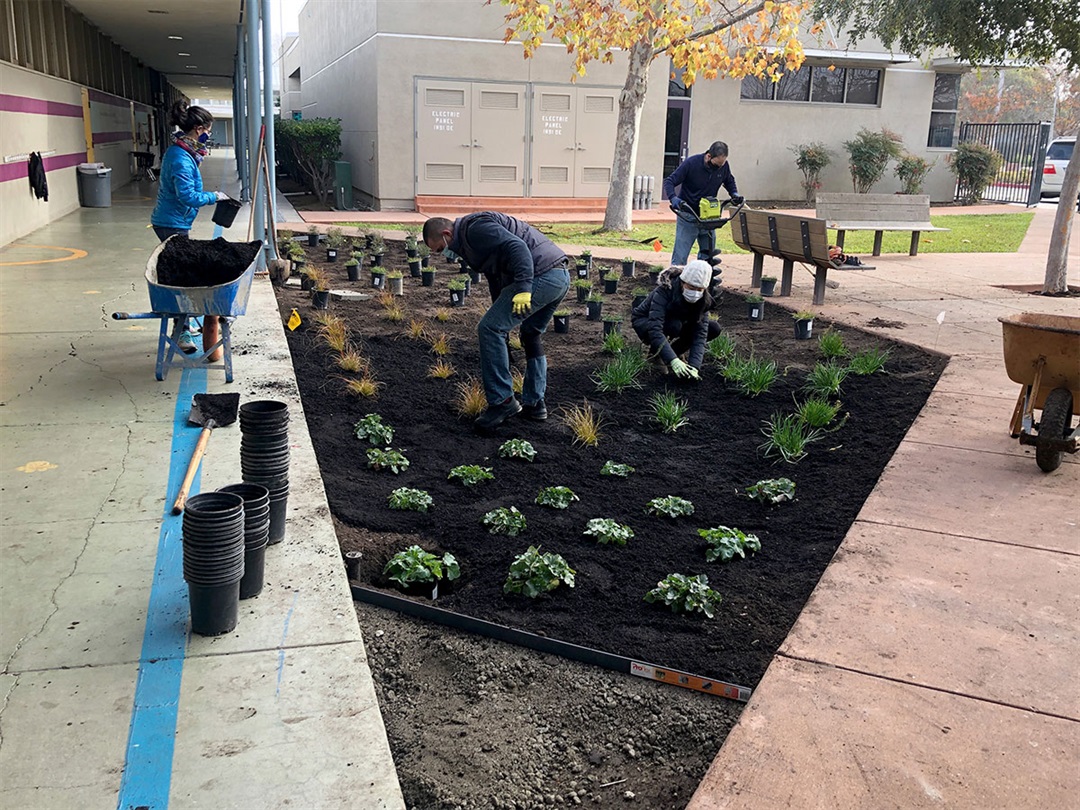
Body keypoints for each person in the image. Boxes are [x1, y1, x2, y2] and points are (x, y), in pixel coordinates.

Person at [423, 213, 571, 432]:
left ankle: (502, 402)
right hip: (559, 276)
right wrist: (501, 319)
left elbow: (517, 246)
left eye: (439, 249)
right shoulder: (467, 241)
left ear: (446, 234)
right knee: (530, 334)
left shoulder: (476, 229)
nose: (442, 254)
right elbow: (496, 278)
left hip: (542, 275)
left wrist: (523, 288)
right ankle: (535, 403)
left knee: (488, 328)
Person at [150, 100, 229, 357]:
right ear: (197, 129)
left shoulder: (184, 152)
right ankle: (181, 329)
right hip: (171, 223)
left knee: (181, 271)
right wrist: (215, 196)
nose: (208, 135)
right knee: (180, 277)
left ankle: (183, 323)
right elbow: (188, 196)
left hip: (176, 221)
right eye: (207, 130)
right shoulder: (181, 158)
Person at [631, 260, 715, 380]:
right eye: (691, 287)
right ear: (682, 282)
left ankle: (675, 352)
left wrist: (695, 366)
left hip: (678, 321)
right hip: (646, 321)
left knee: (713, 328)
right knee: (673, 325)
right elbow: (655, 328)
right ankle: (656, 355)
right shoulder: (665, 290)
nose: (695, 293)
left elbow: (700, 334)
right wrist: (672, 360)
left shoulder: (704, 300)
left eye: (699, 290)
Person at [663, 140, 743, 267]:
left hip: (709, 218)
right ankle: (676, 284)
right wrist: (673, 198)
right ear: (708, 156)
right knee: (680, 257)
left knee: (708, 257)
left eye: (721, 165)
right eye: (716, 165)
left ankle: (704, 283)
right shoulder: (692, 163)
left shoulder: (723, 166)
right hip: (689, 214)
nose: (718, 168)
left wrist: (734, 193)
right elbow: (669, 181)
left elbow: (729, 180)